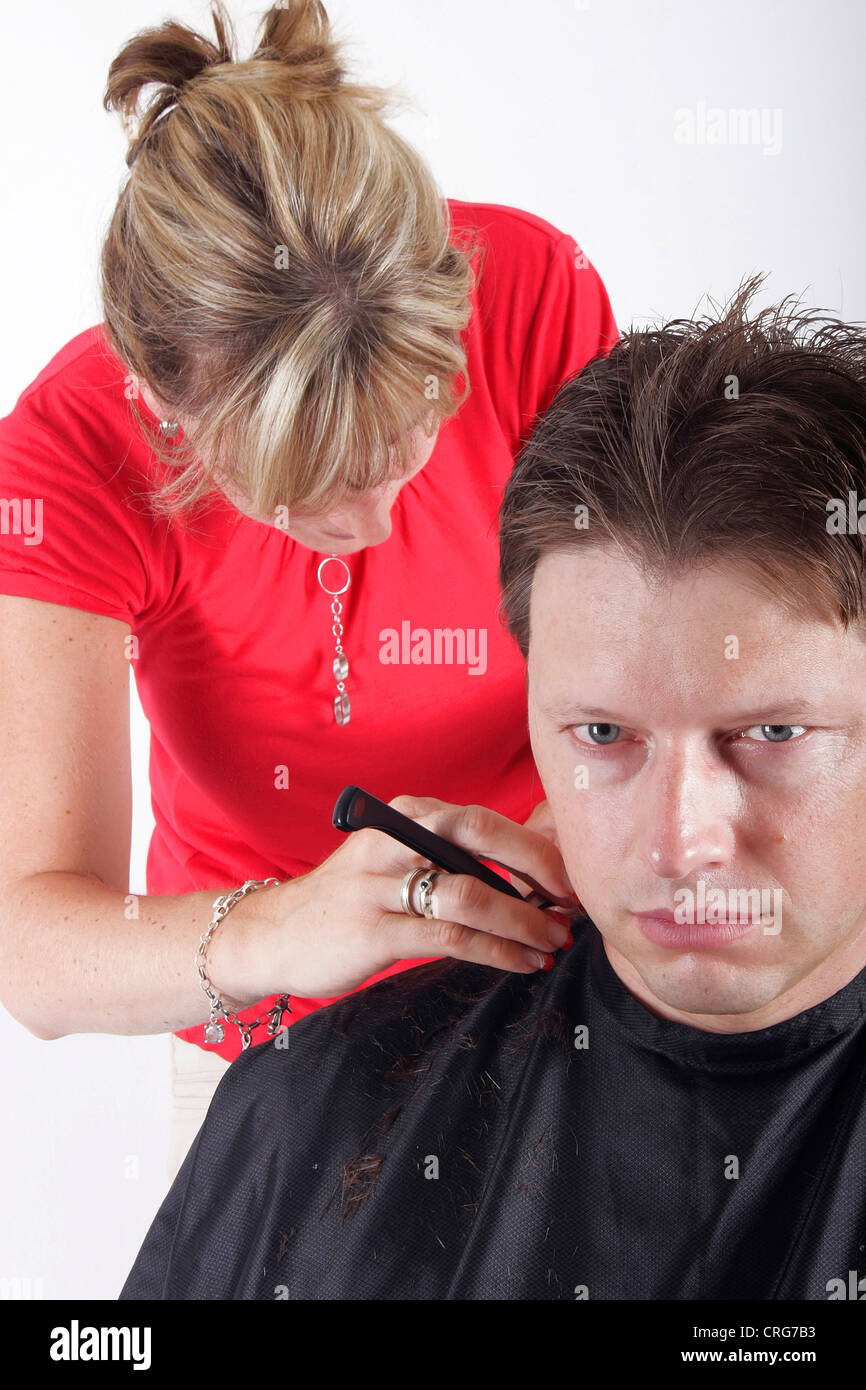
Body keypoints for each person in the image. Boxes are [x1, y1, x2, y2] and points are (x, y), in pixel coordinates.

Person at [120, 279, 866, 1300]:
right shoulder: (318, 1115)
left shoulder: (513, 282)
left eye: (772, 732)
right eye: (602, 734)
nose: (678, 843)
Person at [0, 0, 615, 1182]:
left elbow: (647, 678)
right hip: (266, 1030)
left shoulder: (536, 290)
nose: (378, 522)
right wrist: (282, 925)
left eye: (404, 446)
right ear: (163, 410)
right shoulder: (68, 452)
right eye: (312, 492)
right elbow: (33, 948)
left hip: (551, 967)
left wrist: (576, 846)